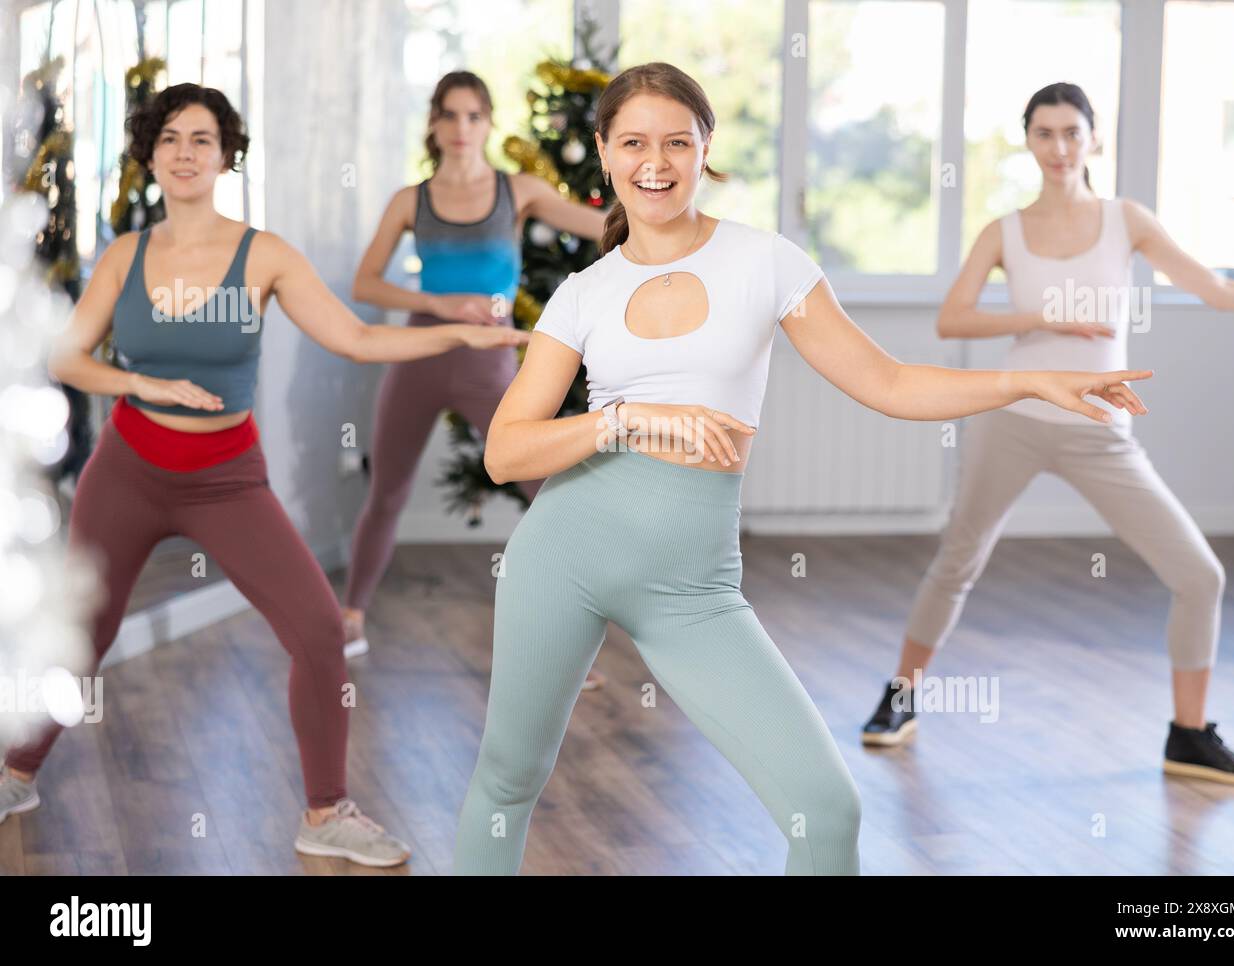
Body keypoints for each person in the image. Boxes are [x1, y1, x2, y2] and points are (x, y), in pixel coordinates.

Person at [450, 63, 1151, 875]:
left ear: (706, 148)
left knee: (825, 808)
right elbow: (507, 450)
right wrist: (624, 418)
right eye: (634, 142)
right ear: (604, 154)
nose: (656, 162)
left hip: (692, 587)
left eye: (678, 141)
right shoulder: (584, 293)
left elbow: (889, 382)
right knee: (507, 782)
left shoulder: (765, 263)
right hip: (563, 556)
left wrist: (1027, 378)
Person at [0, 83, 527, 866]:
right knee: (84, 632)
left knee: (318, 629)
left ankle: (326, 811)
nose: (185, 152)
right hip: (130, 472)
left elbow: (356, 338)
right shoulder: (127, 255)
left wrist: (459, 335)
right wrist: (145, 385)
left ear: (226, 156)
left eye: (203, 139)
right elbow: (65, 356)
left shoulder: (265, 254)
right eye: (171, 137)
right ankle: (16, 772)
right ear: (151, 152)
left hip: (227, 478)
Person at [862, 82, 1234, 787]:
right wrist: (1040, 321)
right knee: (958, 560)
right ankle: (898, 697)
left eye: (1071, 133)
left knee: (1199, 575)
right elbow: (953, 319)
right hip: (1017, 420)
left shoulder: (1127, 221)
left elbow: (1218, 290)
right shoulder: (1005, 231)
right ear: (1028, 141)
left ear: (1093, 139)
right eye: (1044, 134)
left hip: (1100, 429)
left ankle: (1188, 735)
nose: (1058, 148)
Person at [340, 71, 607, 693]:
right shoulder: (412, 200)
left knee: (548, 491)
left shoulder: (519, 191)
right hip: (420, 353)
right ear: (434, 124)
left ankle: (572, 638)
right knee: (388, 489)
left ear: (488, 123)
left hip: (488, 362)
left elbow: (602, 225)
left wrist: (662, 193)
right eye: (450, 116)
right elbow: (365, 284)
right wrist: (440, 303)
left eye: (474, 116)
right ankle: (349, 615)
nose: (462, 129)